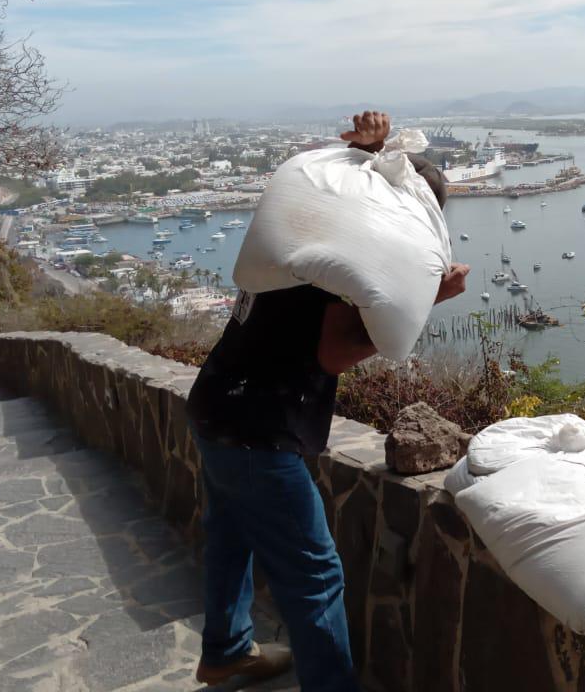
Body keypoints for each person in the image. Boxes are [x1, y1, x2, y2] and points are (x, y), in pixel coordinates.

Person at [186, 111, 469, 690]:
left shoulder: (309, 225)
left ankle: (227, 650)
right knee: (315, 577)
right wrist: (430, 299)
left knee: (231, 532)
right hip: (259, 427)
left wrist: (372, 150)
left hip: (216, 398)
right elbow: (335, 353)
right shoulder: (351, 255)